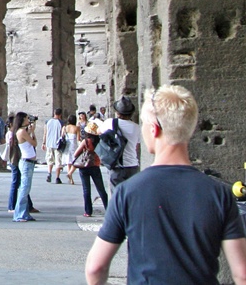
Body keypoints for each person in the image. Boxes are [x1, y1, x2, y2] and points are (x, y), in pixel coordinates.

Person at [85, 85, 246, 285]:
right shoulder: (220, 194)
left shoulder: (128, 192)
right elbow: (242, 273)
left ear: (154, 128)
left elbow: (95, 268)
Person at [98, 95, 141, 189]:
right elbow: (136, 147)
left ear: (117, 112)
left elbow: (99, 132)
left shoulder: (110, 122)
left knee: (116, 196)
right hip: (132, 165)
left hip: (116, 164)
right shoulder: (137, 127)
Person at [71, 120, 107, 217]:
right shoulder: (100, 142)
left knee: (86, 190)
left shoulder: (86, 141)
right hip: (95, 166)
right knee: (101, 189)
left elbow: (75, 154)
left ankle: (88, 211)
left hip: (84, 167)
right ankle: (108, 209)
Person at [9, 111, 37, 222]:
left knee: (26, 189)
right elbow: (34, 143)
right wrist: (32, 132)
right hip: (26, 162)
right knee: (24, 189)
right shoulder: (21, 132)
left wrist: (31, 132)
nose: (28, 120)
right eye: (26, 118)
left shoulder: (23, 131)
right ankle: (19, 214)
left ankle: (24, 213)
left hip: (28, 161)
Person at [43, 107, 65, 184]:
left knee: (50, 160)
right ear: (60, 115)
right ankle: (57, 177)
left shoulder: (47, 122)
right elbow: (63, 134)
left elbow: (45, 133)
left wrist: (43, 143)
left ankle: (49, 173)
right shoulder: (61, 123)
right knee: (58, 161)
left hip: (49, 143)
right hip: (58, 144)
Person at [63, 114, 80, 184]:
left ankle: (71, 179)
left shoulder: (65, 127)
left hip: (67, 144)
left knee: (68, 162)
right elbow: (78, 138)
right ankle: (70, 173)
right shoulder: (77, 128)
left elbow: (62, 135)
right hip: (73, 144)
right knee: (76, 161)